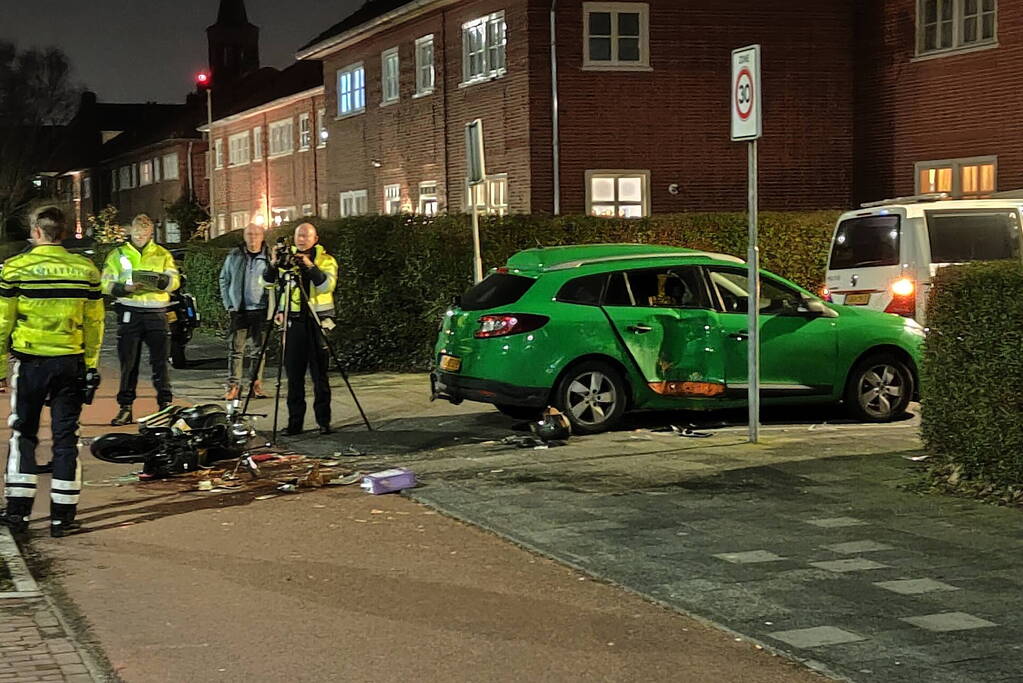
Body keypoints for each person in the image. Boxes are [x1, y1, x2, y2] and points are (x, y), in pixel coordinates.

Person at [0, 207, 104, 537]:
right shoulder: (86, 269)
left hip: (31, 361)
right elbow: (94, 323)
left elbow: (3, 323)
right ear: (61, 232)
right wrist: (90, 367)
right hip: (70, 361)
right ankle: (63, 518)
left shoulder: (16, 268)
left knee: (24, 435)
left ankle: (18, 514)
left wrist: (0, 367)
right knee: (66, 438)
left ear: (37, 232)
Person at [101, 214, 180, 425]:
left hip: (156, 312)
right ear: (130, 232)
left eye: (144, 234)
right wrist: (124, 288)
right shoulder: (117, 254)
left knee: (160, 363)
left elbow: (175, 281)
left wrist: (161, 282)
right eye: (136, 233)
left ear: (150, 233)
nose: (140, 237)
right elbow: (105, 283)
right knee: (129, 363)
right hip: (130, 311)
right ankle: (125, 408)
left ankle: (165, 407)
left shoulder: (162, 254)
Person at [267, 223, 337, 436]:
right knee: (294, 377)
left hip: (318, 322)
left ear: (315, 239)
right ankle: (295, 423)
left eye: (306, 236)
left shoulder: (326, 260)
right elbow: (267, 283)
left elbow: (326, 286)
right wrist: (273, 264)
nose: (302, 239)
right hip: (294, 323)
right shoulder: (287, 260)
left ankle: (323, 421)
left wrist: (309, 265)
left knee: (320, 376)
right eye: (299, 235)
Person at [219, 223, 273, 400]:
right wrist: (230, 304)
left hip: (261, 309)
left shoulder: (269, 256)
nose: (253, 237)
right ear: (244, 236)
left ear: (262, 236)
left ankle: (255, 385)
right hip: (239, 310)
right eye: (249, 234)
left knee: (259, 351)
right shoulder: (234, 255)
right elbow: (224, 279)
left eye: (256, 234)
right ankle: (233, 385)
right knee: (236, 350)